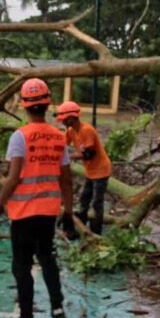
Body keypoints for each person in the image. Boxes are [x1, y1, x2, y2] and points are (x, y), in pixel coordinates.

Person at [0, 78, 76, 318]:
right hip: (48, 212)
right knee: (47, 257)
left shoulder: (20, 137)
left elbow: (14, 177)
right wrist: (69, 211)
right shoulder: (58, 137)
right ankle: (57, 308)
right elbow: (66, 180)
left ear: (24, 105)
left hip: (23, 212)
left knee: (22, 267)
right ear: (47, 103)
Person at [56, 101, 112, 235]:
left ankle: (96, 231)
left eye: (64, 119)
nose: (62, 122)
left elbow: (88, 154)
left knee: (97, 203)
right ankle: (80, 222)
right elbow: (62, 145)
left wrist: (69, 157)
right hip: (90, 171)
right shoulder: (70, 131)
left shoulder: (86, 130)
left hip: (101, 170)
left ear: (71, 117)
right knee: (84, 198)